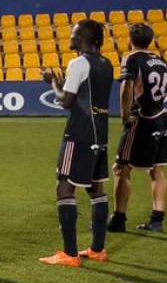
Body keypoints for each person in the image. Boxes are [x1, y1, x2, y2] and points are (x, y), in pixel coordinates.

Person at [40, 20, 114, 267]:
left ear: (85, 37)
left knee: (64, 187)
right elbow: (86, 95)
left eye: (74, 33)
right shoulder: (106, 63)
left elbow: (67, 102)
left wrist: (51, 82)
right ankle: (98, 249)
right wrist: (65, 87)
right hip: (100, 133)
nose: (70, 36)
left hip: (79, 133)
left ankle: (70, 254)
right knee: (96, 189)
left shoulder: (78, 63)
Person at [109, 23, 167, 233]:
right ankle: (157, 220)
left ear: (130, 40)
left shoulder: (132, 59)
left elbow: (126, 87)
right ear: (151, 40)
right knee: (157, 170)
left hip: (142, 119)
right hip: (161, 119)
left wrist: (125, 114)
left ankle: (118, 219)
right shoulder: (160, 61)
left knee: (121, 167)